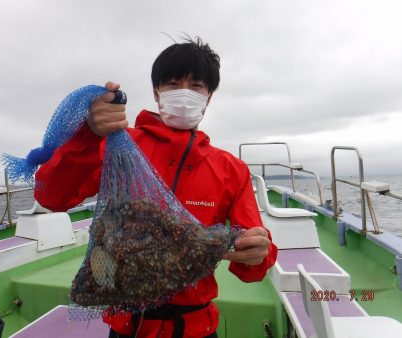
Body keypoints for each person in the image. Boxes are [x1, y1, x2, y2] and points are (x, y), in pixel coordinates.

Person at [34, 37, 277, 338]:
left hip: (196, 329)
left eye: (197, 86)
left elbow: (253, 264)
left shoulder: (231, 170)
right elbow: (51, 196)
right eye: (173, 83)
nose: (184, 93)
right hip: (127, 327)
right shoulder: (119, 146)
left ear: (209, 96)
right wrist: (87, 137)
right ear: (156, 92)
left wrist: (258, 252)